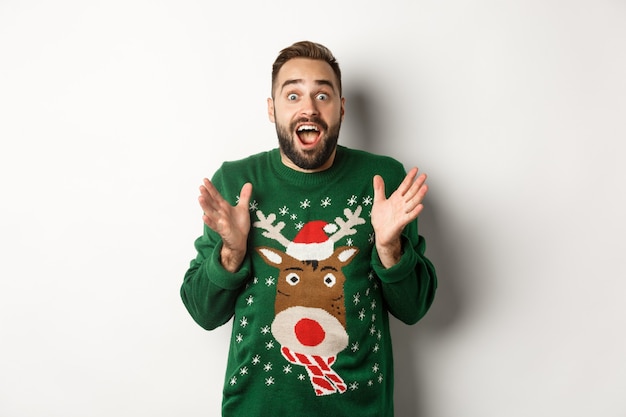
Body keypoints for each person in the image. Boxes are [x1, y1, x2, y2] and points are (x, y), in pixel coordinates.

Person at [180, 40, 437, 417]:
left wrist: (389, 248)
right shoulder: (235, 183)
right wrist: (231, 254)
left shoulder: (383, 180)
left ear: (341, 108)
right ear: (272, 109)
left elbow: (414, 307)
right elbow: (203, 311)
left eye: (322, 94)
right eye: (293, 94)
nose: (309, 108)